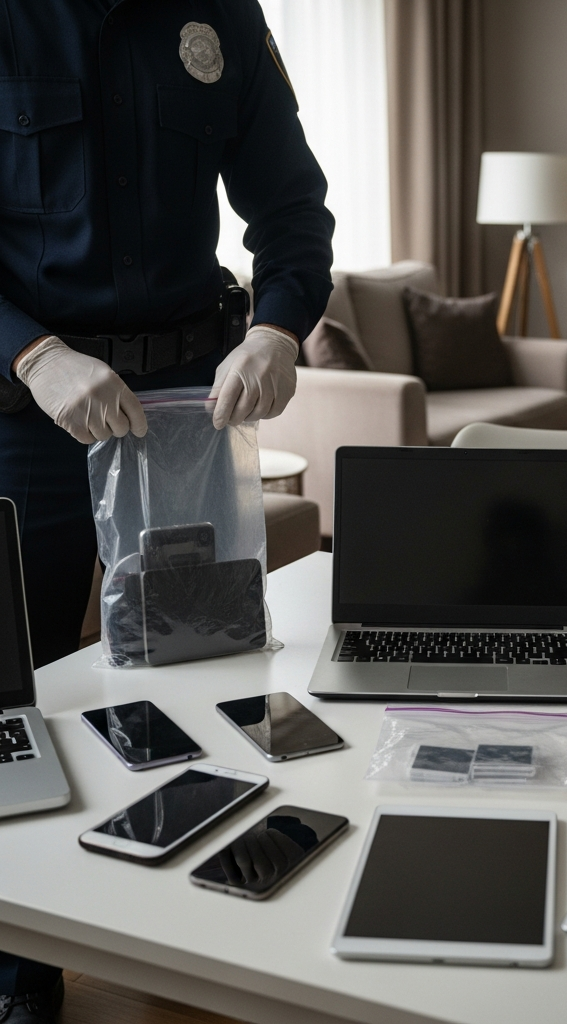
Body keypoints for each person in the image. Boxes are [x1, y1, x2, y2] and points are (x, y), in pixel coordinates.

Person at [0, 3, 334, 1020]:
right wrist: (32, 354)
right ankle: (20, 970)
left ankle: (202, 924)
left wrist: (278, 328)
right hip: (28, 411)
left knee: (206, 675)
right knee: (16, 702)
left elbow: (292, 205)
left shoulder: (221, 14)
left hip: (189, 409)